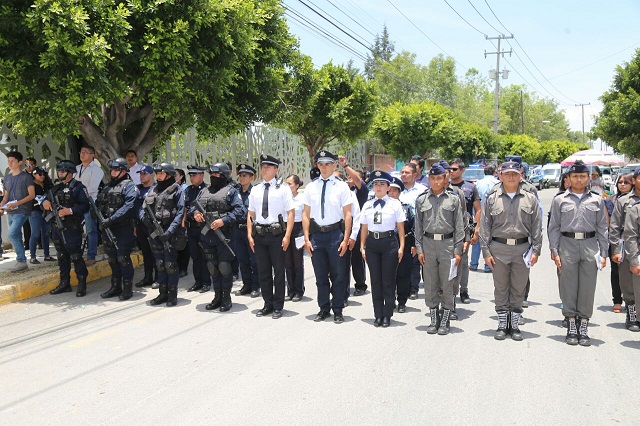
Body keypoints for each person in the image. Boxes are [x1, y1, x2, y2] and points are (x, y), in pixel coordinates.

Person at [480, 161, 542, 341]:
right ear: (500, 175)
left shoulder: (530, 198)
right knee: (500, 287)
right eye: (507, 174)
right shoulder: (492, 198)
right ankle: (501, 324)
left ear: (520, 175)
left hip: (522, 248)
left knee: (518, 287)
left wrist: (536, 250)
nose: (511, 177)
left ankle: (514, 325)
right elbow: (484, 227)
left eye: (515, 173)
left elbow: (537, 226)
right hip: (499, 248)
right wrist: (486, 252)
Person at [548, 160, 608, 346]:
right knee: (568, 285)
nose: (579, 180)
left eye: (582, 176)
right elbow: (554, 227)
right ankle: (571, 323)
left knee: (588, 287)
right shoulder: (560, 199)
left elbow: (602, 228)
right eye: (575, 176)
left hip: (590, 244)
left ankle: (584, 324)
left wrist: (604, 252)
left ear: (589, 178)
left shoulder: (597, 199)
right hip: (567, 244)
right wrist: (554, 250)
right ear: (568, 179)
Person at [302, 149, 353, 324]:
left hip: (335, 235)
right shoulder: (311, 187)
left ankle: (338, 309)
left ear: (334, 165)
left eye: (328, 164)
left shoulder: (341, 186)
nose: (324, 168)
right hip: (317, 235)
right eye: (321, 164)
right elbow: (306, 214)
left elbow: (348, 215)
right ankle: (324, 308)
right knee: (320, 276)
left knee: (338, 275)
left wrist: (346, 239)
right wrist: (307, 239)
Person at [414, 164, 464, 335]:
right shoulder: (421, 200)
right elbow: (418, 227)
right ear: (429, 179)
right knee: (430, 282)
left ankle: (446, 318)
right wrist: (419, 249)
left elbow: (459, 227)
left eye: (439, 178)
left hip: (447, 245)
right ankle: (434, 317)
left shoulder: (453, 199)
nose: (435, 181)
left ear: (445, 179)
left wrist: (458, 251)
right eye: (432, 178)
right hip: (428, 244)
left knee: (447, 282)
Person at [188, 162, 244, 312]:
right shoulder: (204, 191)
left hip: (224, 236)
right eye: (212, 175)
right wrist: (196, 214)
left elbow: (240, 211)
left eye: (217, 175)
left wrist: (223, 221)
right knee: (212, 267)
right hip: (207, 236)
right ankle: (217, 297)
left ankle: (226, 298)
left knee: (224, 267)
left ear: (224, 175)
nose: (213, 177)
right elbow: (193, 207)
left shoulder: (231, 191)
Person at [247, 155, 294, 319]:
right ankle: (267, 303)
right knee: (263, 272)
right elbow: (251, 214)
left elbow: (291, 213)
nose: (264, 169)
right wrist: (249, 234)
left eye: (268, 166)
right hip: (259, 235)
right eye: (263, 166)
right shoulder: (256, 189)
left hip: (277, 236)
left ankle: (278, 306)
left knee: (279, 272)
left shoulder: (283, 189)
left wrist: (287, 235)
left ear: (276, 170)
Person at [360, 170, 405, 327]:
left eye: (382, 184)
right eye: (376, 184)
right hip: (372, 243)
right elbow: (364, 228)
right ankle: (377, 314)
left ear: (388, 187)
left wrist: (401, 247)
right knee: (375, 280)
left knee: (388, 280)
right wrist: (362, 247)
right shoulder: (367, 205)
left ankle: (387, 315)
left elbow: (400, 228)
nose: (378, 187)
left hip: (389, 243)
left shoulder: (395, 204)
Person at [42, 160, 90, 296]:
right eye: (59, 171)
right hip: (57, 228)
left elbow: (85, 206)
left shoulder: (78, 187)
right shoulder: (55, 188)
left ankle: (82, 283)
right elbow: (44, 201)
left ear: (70, 172)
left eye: (63, 171)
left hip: (71, 228)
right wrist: (45, 202)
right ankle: (65, 283)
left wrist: (69, 211)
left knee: (75, 256)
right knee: (62, 256)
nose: (60, 173)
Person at [141, 162, 185, 307]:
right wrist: (146, 221)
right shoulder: (153, 189)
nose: (158, 176)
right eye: (157, 173)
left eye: (161, 173)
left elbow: (180, 213)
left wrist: (170, 231)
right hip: (155, 233)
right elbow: (143, 209)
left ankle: (172, 295)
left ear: (168, 174)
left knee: (170, 264)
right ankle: (162, 294)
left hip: (170, 234)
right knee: (160, 264)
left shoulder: (177, 190)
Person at [95, 158, 139, 301]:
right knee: (112, 259)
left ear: (124, 171)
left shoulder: (129, 186)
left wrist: (111, 219)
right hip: (108, 228)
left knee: (123, 258)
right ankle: (115, 287)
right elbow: (98, 204)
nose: (113, 172)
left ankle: (127, 288)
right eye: (112, 169)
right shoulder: (107, 187)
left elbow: (129, 206)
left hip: (123, 228)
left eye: (116, 169)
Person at [609, 170, 640, 330]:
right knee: (628, 282)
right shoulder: (623, 201)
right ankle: (632, 313)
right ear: (634, 180)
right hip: (627, 244)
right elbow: (614, 226)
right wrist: (615, 249)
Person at [449, 158, 481, 304]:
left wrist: (476, 229)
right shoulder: (445, 187)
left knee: (463, 262)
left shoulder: (470, 187)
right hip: (448, 230)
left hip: (465, 228)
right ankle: (450, 293)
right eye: (450, 169)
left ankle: (464, 290)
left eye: (455, 169)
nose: (451, 171)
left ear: (462, 170)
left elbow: (478, 209)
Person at [338, 155, 368, 297]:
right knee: (342, 260)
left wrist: (345, 165)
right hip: (343, 228)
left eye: (352, 177)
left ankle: (360, 284)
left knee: (356, 258)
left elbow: (356, 179)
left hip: (358, 227)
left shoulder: (361, 191)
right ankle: (343, 288)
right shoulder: (341, 192)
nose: (349, 179)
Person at [0, 151, 35, 272]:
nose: (9, 163)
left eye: (12, 161)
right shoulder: (8, 177)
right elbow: (6, 196)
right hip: (10, 211)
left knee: (11, 234)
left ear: (20, 162)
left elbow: (32, 195)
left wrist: (17, 203)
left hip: (23, 210)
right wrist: (1, 205)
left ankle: (20, 260)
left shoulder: (26, 177)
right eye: (8, 161)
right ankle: (22, 262)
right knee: (17, 236)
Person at [399, 162, 428, 300]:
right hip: (400, 228)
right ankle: (402, 287)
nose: (404, 175)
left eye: (407, 172)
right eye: (402, 172)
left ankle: (414, 288)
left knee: (415, 259)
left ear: (415, 175)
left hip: (417, 227)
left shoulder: (422, 190)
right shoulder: (396, 189)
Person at [182, 165, 211, 292]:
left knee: (205, 255)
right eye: (191, 175)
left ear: (202, 175)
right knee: (194, 256)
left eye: (195, 175)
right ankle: (197, 281)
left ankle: (206, 282)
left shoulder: (207, 189)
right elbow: (185, 208)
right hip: (192, 228)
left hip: (204, 228)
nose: (192, 178)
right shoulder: (188, 190)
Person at [233, 163, 260, 298]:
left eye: (245, 176)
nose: (241, 178)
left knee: (254, 260)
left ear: (251, 177)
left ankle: (256, 286)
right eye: (240, 176)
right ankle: (246, 285)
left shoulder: (255, 192)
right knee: (242, 259)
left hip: (251, 231)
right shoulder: (235, 192)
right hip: (237, 230)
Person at [76, 146, 104, 265]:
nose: (82, 155)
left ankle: (91, 255)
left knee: (91, 230)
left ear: (93, 155)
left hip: (90, 202)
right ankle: (76, 254)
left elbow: (92, 188)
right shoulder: (76, 168)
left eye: (86, 153)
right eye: (81, 152)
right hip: (76, 203)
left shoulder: (97, 169)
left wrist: (77, 193)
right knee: (75, 229)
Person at [470, 165, 498, 273]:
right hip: (493, 215)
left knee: (476, 237)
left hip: (479, 214)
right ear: (495, 172)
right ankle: (488, 265)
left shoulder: (477, 183)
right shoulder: (497, 183)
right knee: (490, 239)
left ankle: (473, 264)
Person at [134, 166, 157, 288]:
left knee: (156, 252)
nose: (142, 176)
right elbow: (135, 208)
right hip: (140, 226)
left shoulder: (156, 189)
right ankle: (148, 277)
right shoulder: (137, 189)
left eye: (144, 173)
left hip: (153, 225)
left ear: (152, 175)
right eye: (140, 174)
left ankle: (159, 278)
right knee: (146, 252)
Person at [284, 174, 305, 301]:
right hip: (285, 229)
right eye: (286, 183)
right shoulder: (283, 198)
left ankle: (298, 290)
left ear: (297, 185)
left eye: (290, 183)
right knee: (287, 262)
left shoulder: (301, 199)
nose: (287, 186)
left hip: (298, 230)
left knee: (297, 263)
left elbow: (305, 218)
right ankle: (290, 290)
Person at [621, 194, 640, 333]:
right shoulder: (634, 208)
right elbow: (630, 235)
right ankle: (632, 314)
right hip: (633, 251)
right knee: (629, 284)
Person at [28, 167, 55, 263]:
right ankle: (32, 257)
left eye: (44, 174)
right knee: (35, 233)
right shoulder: (31, 185)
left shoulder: (48, 184)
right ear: (34, 175)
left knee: (46, 233)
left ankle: (47, 255)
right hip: (35, 211)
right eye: (40, 174)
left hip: (47, 211)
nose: (42, 176)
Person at [174, 168, 190, 278]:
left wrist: (183, 221)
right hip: (173, 220)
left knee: (184, 246)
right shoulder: (171, 188)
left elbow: (185, 207)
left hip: (183, 220)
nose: (173, 177)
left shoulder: (185, 188)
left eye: (175, 175)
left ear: (181, 176)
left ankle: (183, 268)